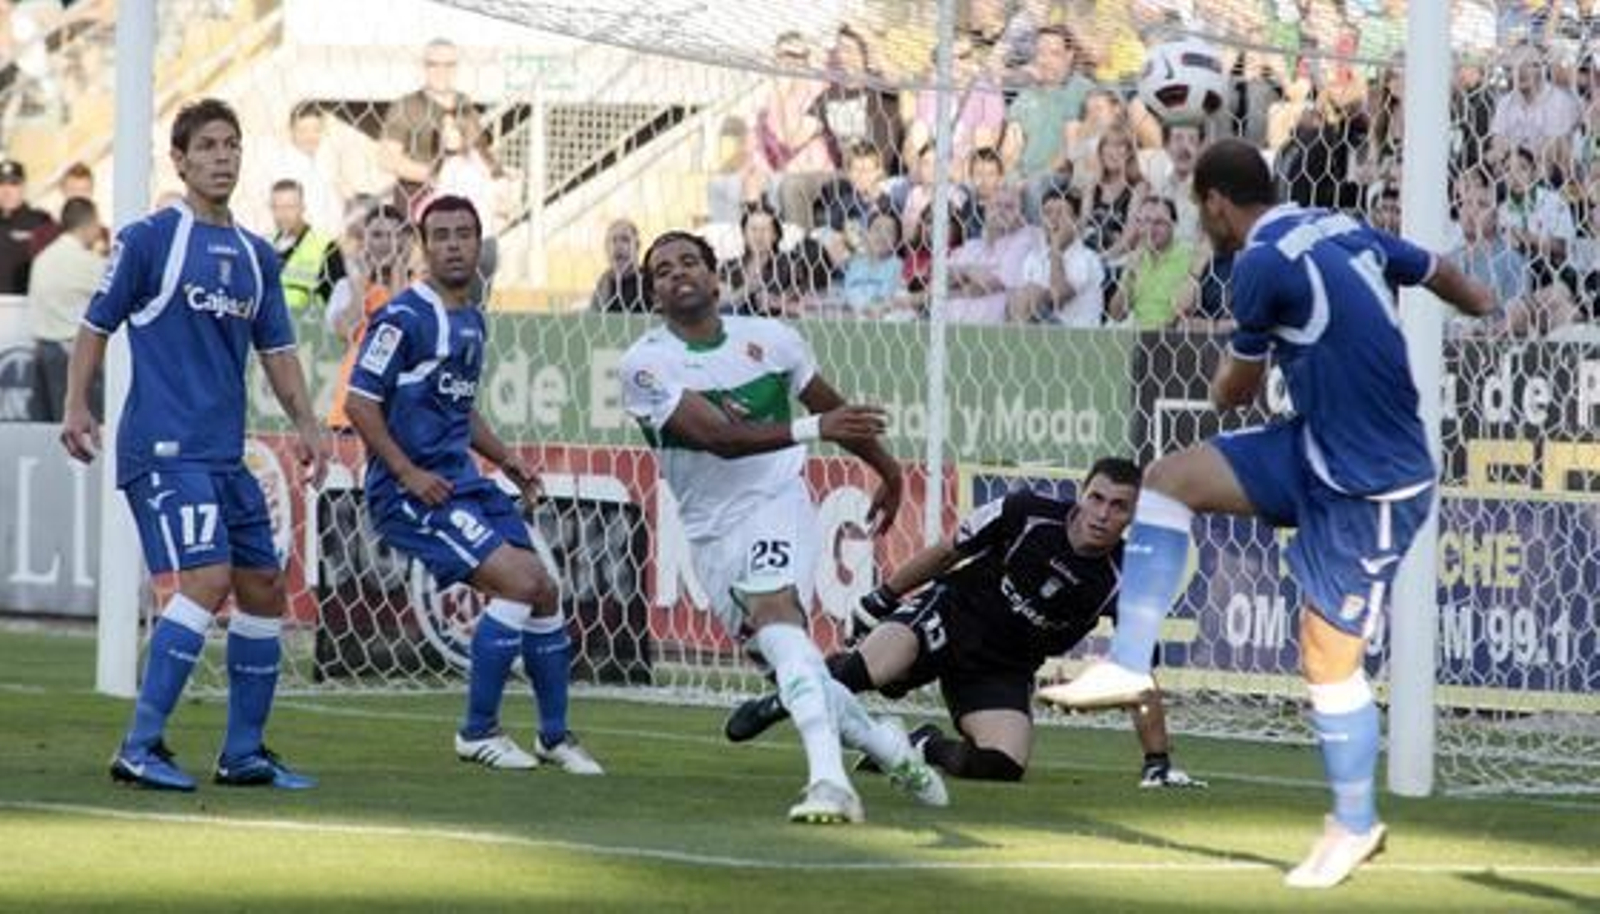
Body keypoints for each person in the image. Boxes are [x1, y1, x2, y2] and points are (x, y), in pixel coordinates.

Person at [1042, 138, 1495, 889]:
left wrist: (1226, 372)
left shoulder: (1258, 264)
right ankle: (1127, 663)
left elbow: (1234, 392)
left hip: (1372, 483)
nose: (1201, 224)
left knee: (1327, 658)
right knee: (1166, 479)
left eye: (1199, 210)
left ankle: (1354, 825)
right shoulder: (1336, 223)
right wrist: (1480, 301)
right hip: (1313, 445)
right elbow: (1433, 268)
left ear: (1217, 202)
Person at [620, 230, 946, 823]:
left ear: (717, 278)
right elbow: (717, 439)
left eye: (689, 262)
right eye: (662, 271)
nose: (677, 274)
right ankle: (883, 743)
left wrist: (890, 471)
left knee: (777, 619)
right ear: (654, 295)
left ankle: (830, 781)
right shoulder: (645, 365)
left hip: (777, 500)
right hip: (709, 533)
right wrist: (814, 429)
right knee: (790, 660)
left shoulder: (772, 340)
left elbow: (835, 411)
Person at [60, 98, 331, 791]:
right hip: (163, 448)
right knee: (206, 581)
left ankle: (243, 753)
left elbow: (277, 349)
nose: (221, 156)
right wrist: (76, 404)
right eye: (207, 145)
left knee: (264, 587)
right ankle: (139, 746)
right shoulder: (151, 239)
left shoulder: (254, 255)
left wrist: (308, 425)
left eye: (231, 144)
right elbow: (96, 323)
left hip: (223, 453)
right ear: (179, 160)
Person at [724, 459, 1206, 790]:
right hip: (950, 616)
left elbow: (1137, 673)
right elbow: (947, 550)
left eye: (1119, 506)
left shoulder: (1126, 580)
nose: (1103, 514)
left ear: (1132, 517)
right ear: (1081, 495)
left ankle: (919, 744)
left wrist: (1157, 760)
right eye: (1097, 498)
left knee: (1002, 766)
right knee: (867, 669)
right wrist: (883, 597)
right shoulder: (1025, 513)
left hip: (1001, 668)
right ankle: (780, 697)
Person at [343, 195, 603, 776]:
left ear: (479, 244)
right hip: (410, 491)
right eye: (442, 235)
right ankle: (477, 731)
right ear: (423, 245)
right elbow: (360, 403)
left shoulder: (472, 317)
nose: (454, 244)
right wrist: (408, 473)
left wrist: (508, 460)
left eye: (465, 233)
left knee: (546, 590)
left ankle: (554, 736)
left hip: (463, 480)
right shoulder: (404, 316)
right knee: (519, 582)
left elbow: (459, 408)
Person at [326, 204, 410, 432]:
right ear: (364, 241)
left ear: (406, 241)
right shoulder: (347, 286)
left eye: (393, 235)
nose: (385, 243)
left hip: (400, 414)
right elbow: (348, 332)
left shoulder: (421, 288)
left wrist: (399, 273)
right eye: (377, 235)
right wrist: (360, 282)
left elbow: (407, 331)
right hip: (351, 412)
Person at [27, 196, 104, 422]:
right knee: (84, 431)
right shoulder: (85, 262)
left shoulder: (43, 258)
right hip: (72, 355)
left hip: (43, 352)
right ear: (89, 224)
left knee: (50, 430)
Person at [270, 179, 346, 324]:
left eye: (289, 207)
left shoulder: (325, 247)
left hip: (311, 337)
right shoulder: (266, 246)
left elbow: (339, 300)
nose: (282, 214)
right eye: (276, 208)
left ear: (302, 208)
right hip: (274, 335)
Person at [0, 158, 55, 295]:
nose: (7, 190)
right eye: (2, 184)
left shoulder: (41, 221)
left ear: (23, 187)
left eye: (14, 184)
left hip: (27, 306)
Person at [590, 219, 648, 314]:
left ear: (637, 246)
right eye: (613, 241)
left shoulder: (648, 280)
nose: (618, 246)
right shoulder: (604, 282)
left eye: (625, 240)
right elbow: (593, 317)